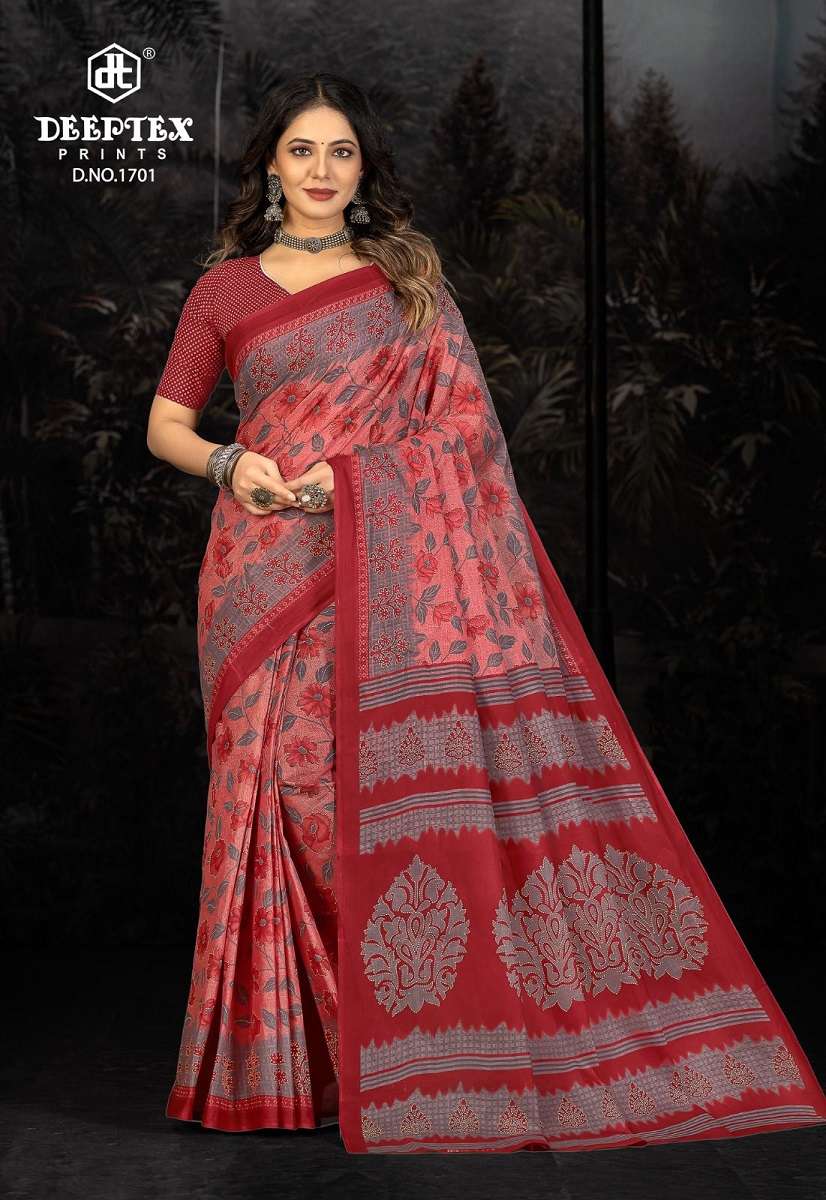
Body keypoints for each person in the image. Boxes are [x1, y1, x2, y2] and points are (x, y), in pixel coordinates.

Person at [146, 72, 826, 1154]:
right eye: (303, 151)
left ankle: (388, 1051)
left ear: (363, 170)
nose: (322, 170)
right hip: (259, 570)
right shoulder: (223, 292)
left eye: (341, 153)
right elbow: (167, 425)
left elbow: (462, 432)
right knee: (266, 794)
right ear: (270, 163)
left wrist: (348, 480)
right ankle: (290, 1066)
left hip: (379, 565)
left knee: (344, 796)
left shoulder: (404, 282)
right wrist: (234, 465)